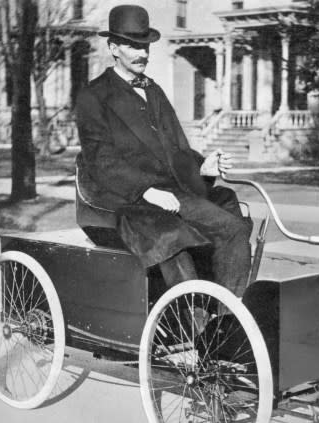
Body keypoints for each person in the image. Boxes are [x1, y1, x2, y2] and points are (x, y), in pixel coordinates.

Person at [75, 4, 252, 297]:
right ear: (114, 47)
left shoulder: (153, 90)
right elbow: (101, 161)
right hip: (124, 202)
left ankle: (221, 314)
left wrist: (202, 166)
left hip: (169, 192)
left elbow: (175, 148)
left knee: (228, 205)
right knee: (216, 230)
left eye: (145, 45)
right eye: (133, 45)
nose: (142, 53)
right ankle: (210, 318)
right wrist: (147, 190)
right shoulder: (94, 96)